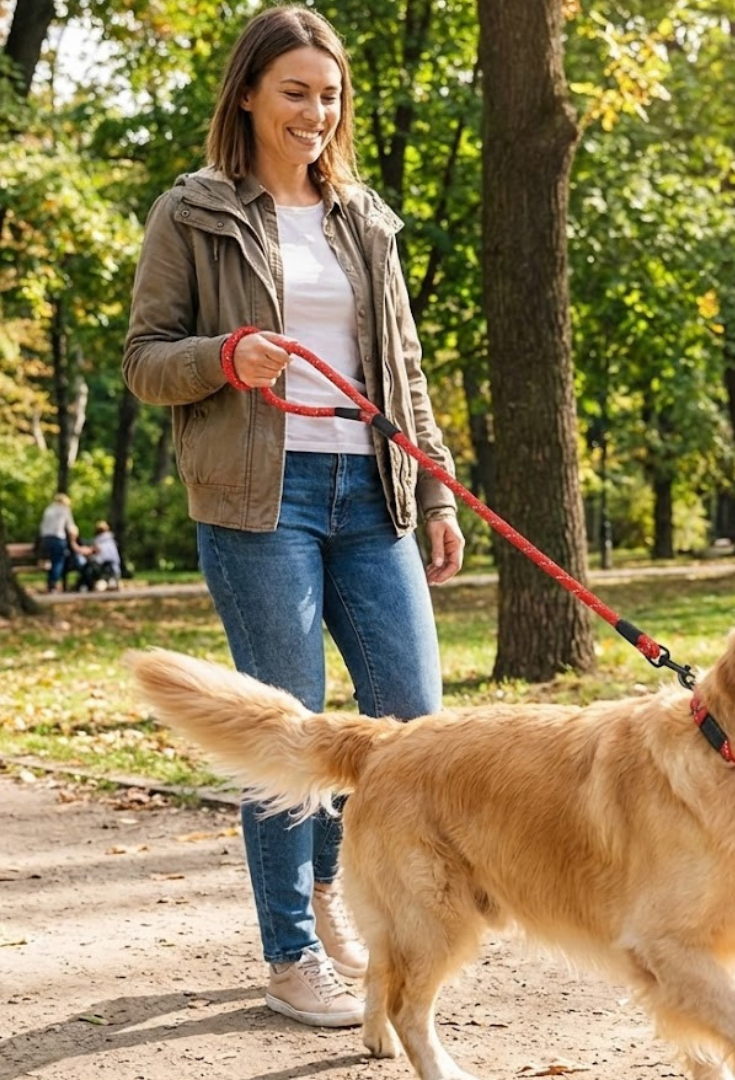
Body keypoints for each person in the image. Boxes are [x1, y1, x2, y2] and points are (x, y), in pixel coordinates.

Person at [123, 5, 465, 1030]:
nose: (317, 113)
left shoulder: (365, 217)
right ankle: (290, 949)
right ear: (248, 96)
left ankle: (333, 897)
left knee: (409, 722)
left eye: (330, 95)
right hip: (256, 503)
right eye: (296, 93)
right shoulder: (194, 212)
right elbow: (144, 362)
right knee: (289, 731)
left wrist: (436, 489)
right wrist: (226, 355)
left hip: (372, 495)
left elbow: (400, 370)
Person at [37, 493, 79, 593]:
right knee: (58, 562)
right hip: (58, 538)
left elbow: (42, 526)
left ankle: (50, 583)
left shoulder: (48, 509)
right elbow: (71, 526)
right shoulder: (64, 510)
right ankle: (53, 584)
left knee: (50, 562)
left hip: (45, 539)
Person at [86, 520, 121, 589]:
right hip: (116, 570)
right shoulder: (112, 541)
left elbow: (98, 559)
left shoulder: (98, 542)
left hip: (106, 570)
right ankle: (111, 582)